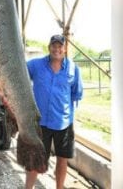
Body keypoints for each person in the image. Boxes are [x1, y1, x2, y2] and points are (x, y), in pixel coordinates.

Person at [25, 34, 83, 189]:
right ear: (49, 47)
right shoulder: (35, 65)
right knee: (35, 159)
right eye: (54, 46)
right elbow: (19, 72)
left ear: (64, 49)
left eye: (60, 46)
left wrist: (71, 120)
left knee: (62, 159)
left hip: (63, 123)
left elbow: (76, 94)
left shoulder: (73, 69)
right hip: (40, 122)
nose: (57, 49)